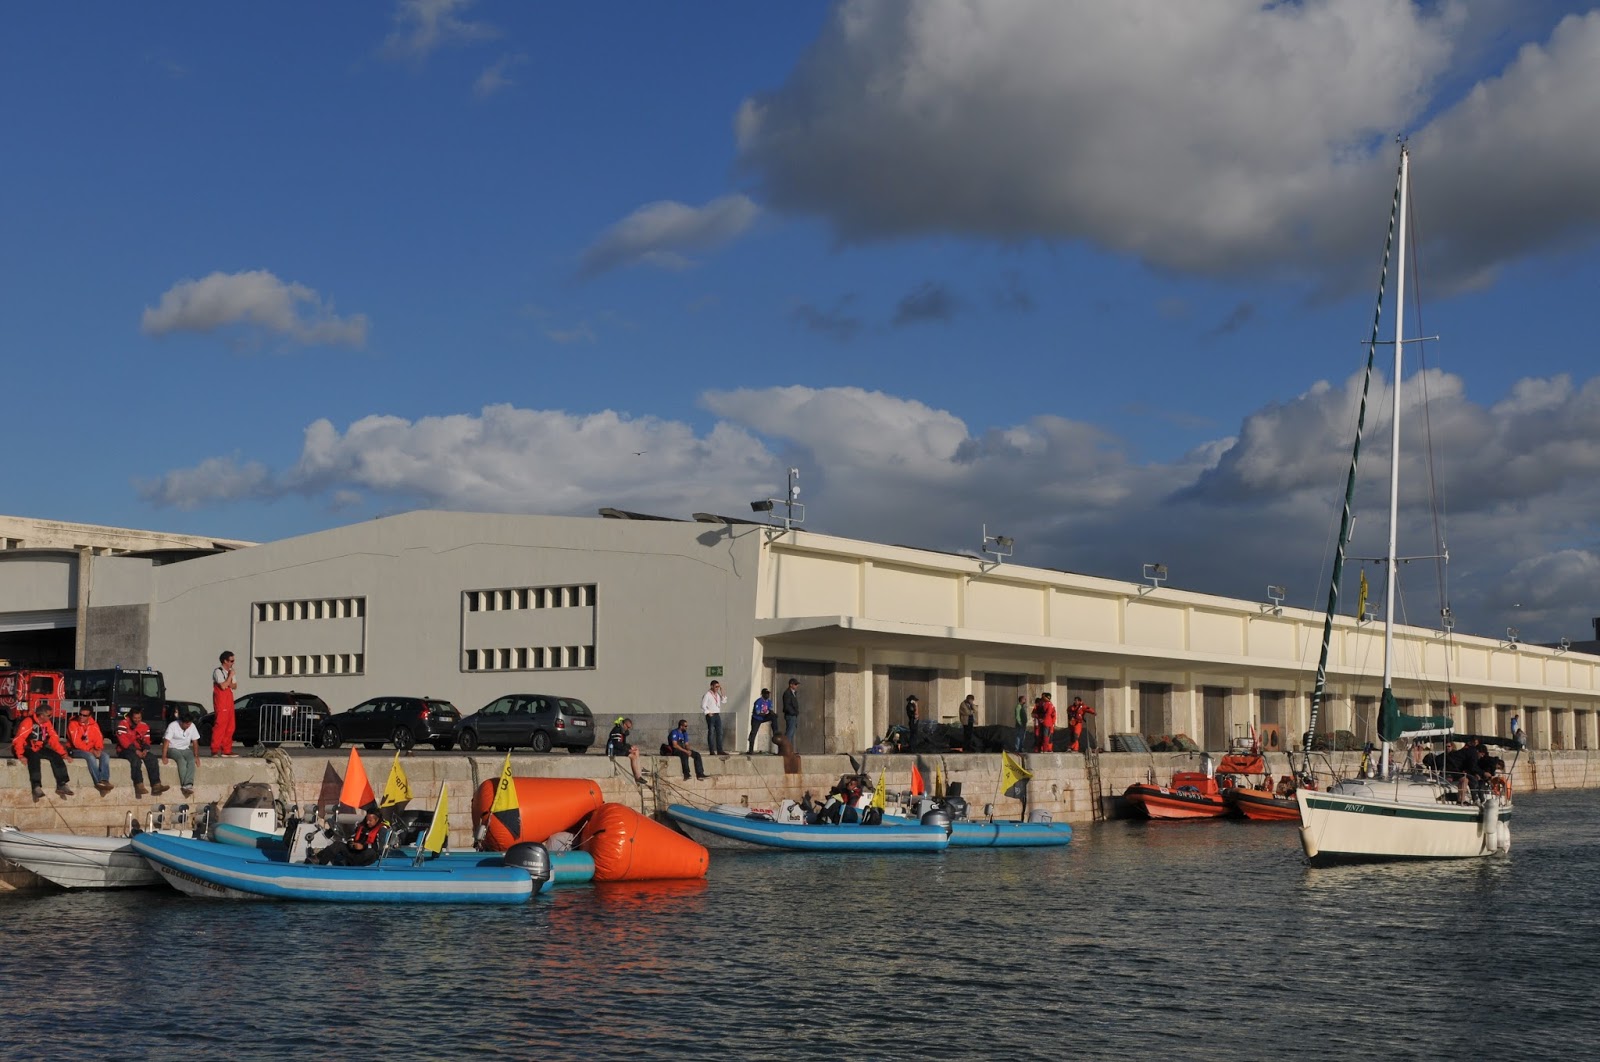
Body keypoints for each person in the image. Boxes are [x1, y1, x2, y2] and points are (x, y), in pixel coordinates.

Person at [11, 704, 73, 799]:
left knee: (55, 756)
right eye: (49, 715)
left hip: (38, 747)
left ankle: (62, 783)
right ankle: (36, 786)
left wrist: (63, 754)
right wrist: (20, 755)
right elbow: (19, 739)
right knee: (34, 758)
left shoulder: (47, 723)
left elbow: (53, 740)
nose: (50, 717)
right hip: (25, 748)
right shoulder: (28, 722)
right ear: (41, 715)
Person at [115, 707, 169, 798]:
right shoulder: (123, 724)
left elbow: (147, 740)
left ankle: (156, 785)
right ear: (131, 717)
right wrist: (135, 750)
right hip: (124, 749)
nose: (137, 720)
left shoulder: (144, 726)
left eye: (139, 718)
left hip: (139, 749)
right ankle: (139, 784)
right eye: (135, 718)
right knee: (135, 760)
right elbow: (123, 741)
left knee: (152, 759)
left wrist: (145, 750)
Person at [67, 706, 115, 794]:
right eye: (80, 714)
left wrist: (98, 749)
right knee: (90, 757)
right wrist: (91, 750)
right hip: (75, 749)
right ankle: (98, 782)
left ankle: (104, 780)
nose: (81, 717)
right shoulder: (73, 724)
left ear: (90, 716)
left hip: (90, 749)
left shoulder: (94, 724)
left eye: (84, 715)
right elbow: (76, 743)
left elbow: (99, 738)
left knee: (105, 756)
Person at [312, 809, 384, 866]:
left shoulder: (381, 829)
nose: (367, 822)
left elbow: (379, 847)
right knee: (338, 844)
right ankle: (319, 860)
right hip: (355, 853)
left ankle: (348, 863)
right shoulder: (362, 826)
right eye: (367, 820)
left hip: (365, 856)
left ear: (377, 820)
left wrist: (363, 847)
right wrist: (350, 843)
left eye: (370, 821)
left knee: (371, 852)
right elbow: (352, 836)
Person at [162, 708, 202, 796]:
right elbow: (166, 742)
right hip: (172, 748)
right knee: (181, 760)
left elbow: (195, 742)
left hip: (185, 749)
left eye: (189, 724)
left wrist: (196, 755)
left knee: (191, 760)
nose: (188, 726)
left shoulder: (192, 726)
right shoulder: (172, 726)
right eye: (187, 724)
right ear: (181, 722)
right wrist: (164, 756)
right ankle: (185, 784)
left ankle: (188, 784)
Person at [211, 650, 238, 758]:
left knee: (230, 725)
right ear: (225, 661)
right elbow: (222, 686)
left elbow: (234, 686)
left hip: (229, 700)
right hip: (221, 700)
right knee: (220, 725)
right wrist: (230, 677)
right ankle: (215, 749)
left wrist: (228, 682)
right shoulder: (218, 671)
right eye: (231, 661)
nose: (233, 663)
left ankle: (226, 750)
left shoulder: (231, 672)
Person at [607, 716, 646, 783]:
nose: (628, 729)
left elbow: (623, 743)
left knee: (636, 750)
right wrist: (628, 750)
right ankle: (637, 777)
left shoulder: (623, 731)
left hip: (620, 748)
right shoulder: (617, 730)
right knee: (633, 757)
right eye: (628, 727)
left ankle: (639, 771)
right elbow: (617, 745)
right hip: (614, 750)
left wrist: (630, 747)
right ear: (624, 724)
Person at [701, 680, 727, 756]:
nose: (717, 688)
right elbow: (703, 705)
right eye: (716, 687)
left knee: (720, 732)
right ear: (711, 686)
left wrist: (722, 692)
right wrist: (708, 712)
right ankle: (711, 750)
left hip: (717, 714)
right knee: (711, 732)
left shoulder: (717, 694)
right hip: (711, 715)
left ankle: (720, 750)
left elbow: (724, 701)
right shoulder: (707, 694)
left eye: (718, 687)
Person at [748, 688, 775, 754]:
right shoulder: (758, 701)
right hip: (757, 718)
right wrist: (766, 714)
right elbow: (758, 712)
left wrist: (772, 714)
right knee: (754, 732)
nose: (767, 695)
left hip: (764, 717)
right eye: (766, 694)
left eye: (768, 694)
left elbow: (770, 710)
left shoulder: (769, 702)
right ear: (762, 694)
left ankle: (775, 731)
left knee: (774, 717)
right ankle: (750, 749)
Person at [781, 677, 801, 746]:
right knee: (789, 732)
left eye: (797, 684)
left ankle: (788, 747)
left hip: (793, 715)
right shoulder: (787, 693)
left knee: (791, 732)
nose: (796, 686)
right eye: (795, 684)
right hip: (790, 715)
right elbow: (787, 706)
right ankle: (786, 748)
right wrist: (793, 712)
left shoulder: (793, 693)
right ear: (791, 685)